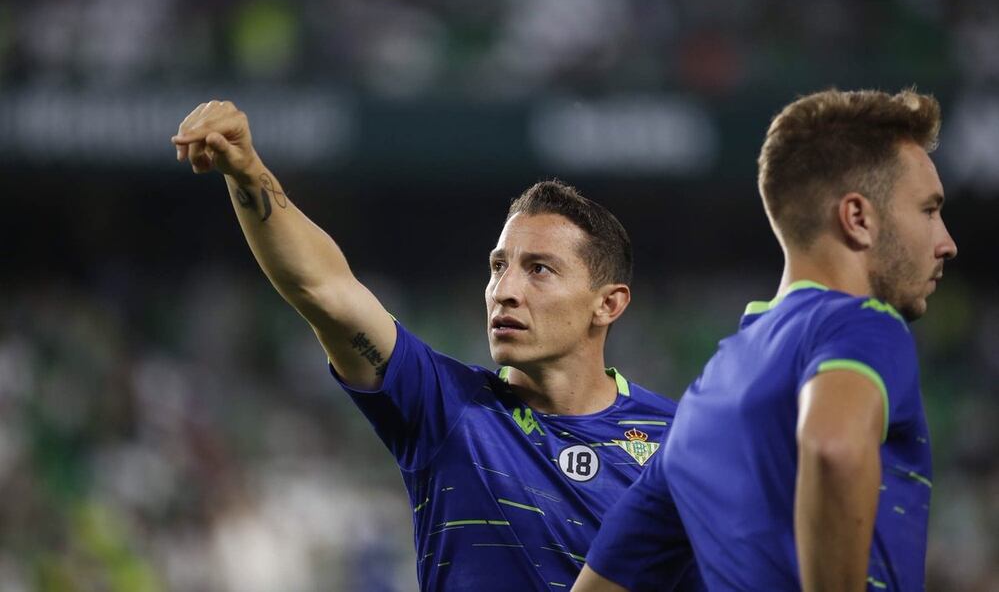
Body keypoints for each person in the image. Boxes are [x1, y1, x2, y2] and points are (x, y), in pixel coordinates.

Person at [170, 100, 692, 591]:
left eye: (539, 269)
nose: (504, 291)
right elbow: (325, 290)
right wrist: (247, 172)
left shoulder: (679, 443)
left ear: (608, 304)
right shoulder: (447, 407)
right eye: (498, 266)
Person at [573, 88, 957, 591]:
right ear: (858, 218)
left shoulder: (704, 397)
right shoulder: (862, 325)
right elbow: (832, 446)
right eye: (929, 210)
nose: (946, 241)